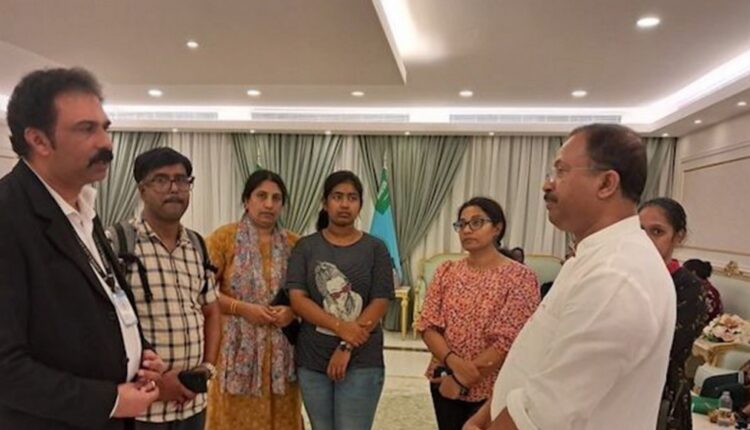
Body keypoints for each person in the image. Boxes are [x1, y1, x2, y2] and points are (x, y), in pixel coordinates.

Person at [465, 123, 676, 430]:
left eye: (561, 171)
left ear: (606, 183)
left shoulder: (615, 275)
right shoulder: (592, 258)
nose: (547, 185)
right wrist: (485, 417)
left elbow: (547, 411)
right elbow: (534, 357)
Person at [0, 67, 165, 429]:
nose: (106, 143)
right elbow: (6, 367)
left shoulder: (83, 208)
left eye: (105, 127)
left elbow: (100, 306)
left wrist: (141, 352)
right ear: (39, 140)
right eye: (86, 129)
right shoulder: (8, 216)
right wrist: (110, 401)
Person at [108, 147, 221, 429]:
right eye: (161, 180)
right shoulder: (116, 243)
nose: (173, 188)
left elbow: (211, 311)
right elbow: (102, 327)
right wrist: (158, 385)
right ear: (142, 190)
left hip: (193, 403)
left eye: (181, 180)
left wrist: (206, 368)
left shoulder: (197, 244)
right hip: (142, 410)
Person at [416, 197, 539, 430]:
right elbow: (428, 325)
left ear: (497, 228)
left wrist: (462, 378)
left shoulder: (520, 277)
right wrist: (453, 363)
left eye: (476, 222)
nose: (467, 230)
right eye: (462, 224)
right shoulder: (447, 271)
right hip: (445, 380)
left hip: (494, 387)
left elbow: (509, 340)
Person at [287, 170, 394, 430]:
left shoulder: (375, 248)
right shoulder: (306, 247)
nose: (345, 204)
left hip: (362, 360)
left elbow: (380, 301)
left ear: (360, 205)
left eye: (352, 198)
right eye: (337, 197)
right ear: (325, 203)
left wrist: (346, 345)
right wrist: (340, 326)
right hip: (313, 359)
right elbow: (298, 299)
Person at [205, 170, 302, 430]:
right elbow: (202, 290)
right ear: (247, 201)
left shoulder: (296, 244)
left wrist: (292, 311)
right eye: (261, 196)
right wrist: (241, 308)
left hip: (282, 351)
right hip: (237, 350)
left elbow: (307, 295)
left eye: (276, 198)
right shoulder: (223, 239)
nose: (269, 204)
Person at [639, 197, 709, 430]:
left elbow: (668, 347)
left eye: (657, 231)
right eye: (640, 231)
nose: (646, 240)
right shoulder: (626, 276)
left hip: (662, 394)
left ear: (679, 237)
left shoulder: (689, 287)